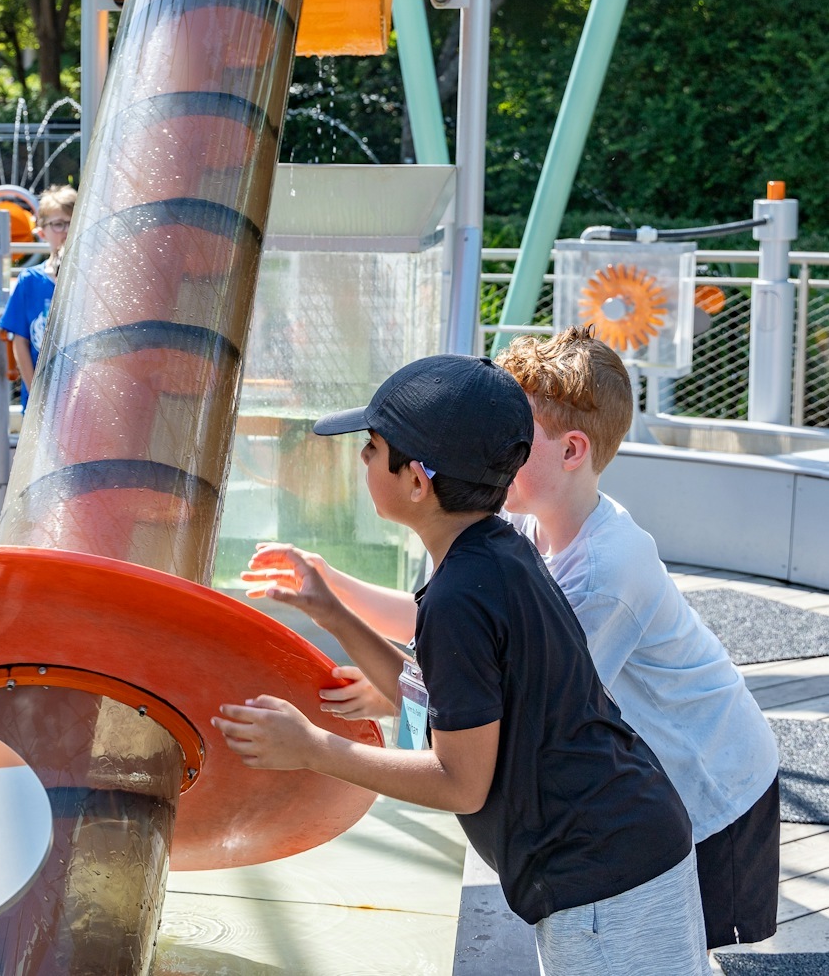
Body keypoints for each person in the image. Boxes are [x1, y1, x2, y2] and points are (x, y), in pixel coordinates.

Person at [214, 355, 711, 975]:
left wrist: (314, 748)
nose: (363, 459)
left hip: (603, 884)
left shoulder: (463, 593)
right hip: (622, 846)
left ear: (418, 481)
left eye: (372, 446)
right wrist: (332, 612)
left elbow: (460, 780)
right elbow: (437, 698)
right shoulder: (492, 551)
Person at [299, 328, 781, 951]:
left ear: (571, 449)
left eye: (511, 435)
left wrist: (405, 690)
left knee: (684, 947)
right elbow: (465, 640)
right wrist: (336, 595)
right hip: (638, 798)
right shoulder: (518, 530)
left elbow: (520, 703)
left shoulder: (605, 573)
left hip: (711, 784)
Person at [0, 185, 76, 410]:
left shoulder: (93, 281)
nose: (67, 231)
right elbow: (20, 341)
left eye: (73, 222)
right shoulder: (30, 280)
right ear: (41, 232)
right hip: (41, 397)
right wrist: (35, 396)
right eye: (58, 224)